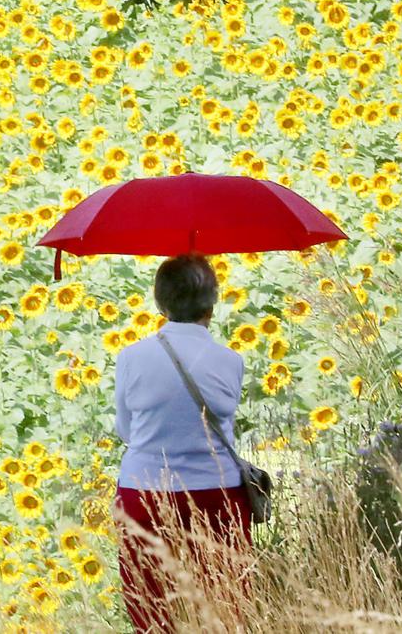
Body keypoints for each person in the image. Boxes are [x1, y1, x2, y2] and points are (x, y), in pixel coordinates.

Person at [111, 253, 252, 633]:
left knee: (151, 610)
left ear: (160, 302)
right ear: (213, 302)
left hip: (145, 495)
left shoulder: (130, 358)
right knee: (224, 609)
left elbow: (127, 432)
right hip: (217, 494)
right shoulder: (230, 361)